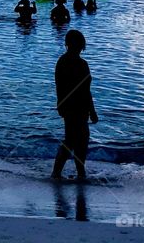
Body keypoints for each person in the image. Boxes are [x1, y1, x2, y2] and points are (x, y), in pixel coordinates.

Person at [52, 30, 98, 180]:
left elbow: (86, 89)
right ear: (68, 44)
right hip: (70, 106)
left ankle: (80, 172)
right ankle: (58, 172)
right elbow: (59, 86)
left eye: (79, 43)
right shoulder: (63, 62)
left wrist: (92, 110)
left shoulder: (83, 64)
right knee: (71, 140)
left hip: (82, 106)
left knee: (82, 140)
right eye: (74, 43)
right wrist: (61, 104)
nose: (77, 46)